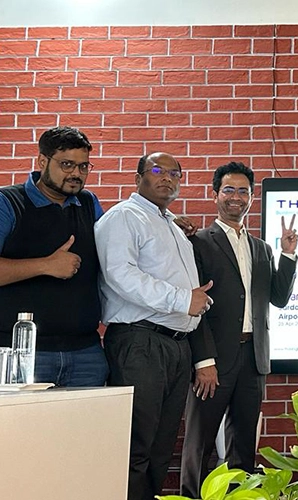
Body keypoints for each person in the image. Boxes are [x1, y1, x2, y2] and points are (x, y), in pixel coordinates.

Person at [94, 152, 214, 500]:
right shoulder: (123, 218)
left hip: (176, 345)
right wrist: (181, 300)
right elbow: (121, 276)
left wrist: (195, 304)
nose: (168, 178)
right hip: (140, 343)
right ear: (138, 177)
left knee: (162, 448)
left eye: (175, 173)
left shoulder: (169, 224)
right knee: (136, 447)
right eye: (158, 170)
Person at [180, 162, 298, 497]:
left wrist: (288, 255)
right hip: (214, 360)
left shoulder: (262, 248)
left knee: (243, 443)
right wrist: (203, 361)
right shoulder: (199, 243)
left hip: (253, 358)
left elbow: (278, 298)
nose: (236, 197)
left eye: (243, 191)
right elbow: (195, 307)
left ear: (251, 196)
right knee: (199, 443)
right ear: (215, 194)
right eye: (229, 190)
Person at [0, 126, 108, 387]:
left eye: (84, 167)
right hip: (22, 353)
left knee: (87, 428)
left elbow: (117, 248)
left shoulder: (88, 203)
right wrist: (46, 265)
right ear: (42, 161)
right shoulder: (8, 202)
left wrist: (169, 222)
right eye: (67, 164)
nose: (76, 174)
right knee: (22, 429)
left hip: (86, 352)